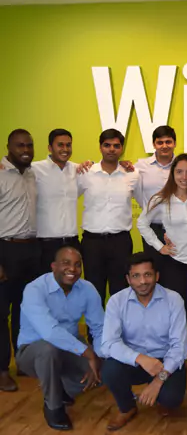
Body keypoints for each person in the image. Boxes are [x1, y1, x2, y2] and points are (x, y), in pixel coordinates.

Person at [16, 246, 104, 431]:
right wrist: (88, 353)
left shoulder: (87, 289)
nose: (72, 269)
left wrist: (98, 356)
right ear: (53, 266)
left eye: (77, 265)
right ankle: (53, 406)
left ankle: (60, 386)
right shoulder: (34, 289)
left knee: (99, 374)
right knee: (49, 350)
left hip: (70, 347)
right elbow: (49, 332)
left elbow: (99, 327)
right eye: (66, 263)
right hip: (33, 351)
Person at [137, 153, 187, 366]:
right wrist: (160, 246)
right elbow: (142, 224)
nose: (184, 176)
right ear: (173, 174)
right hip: (176, 258)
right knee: (178, 306)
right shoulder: (161, 199)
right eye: (179, 171)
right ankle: (180, 351)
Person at [101, 253, 187, 431]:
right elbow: (108, 344)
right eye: (136, 276)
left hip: (164, 362)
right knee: (109, 370)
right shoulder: (116, 301)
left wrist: (159, 380)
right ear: (128, 279)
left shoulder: (174, 300)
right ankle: (127, 408)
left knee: (171, 399)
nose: (142, 281)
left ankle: (159, 394)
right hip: (133, 361)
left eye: (147, 275)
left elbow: (180, 347)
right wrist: (140, 358)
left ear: (157, 276)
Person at [77, 128, 140, 304]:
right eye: (107, 145)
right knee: (93, 291)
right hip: (92, 243)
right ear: (100, 147)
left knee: (120, 292)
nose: (111, 149)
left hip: (120, 242)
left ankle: (117, 332)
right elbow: (68, 197)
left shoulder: (132, 174)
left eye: (116, 146)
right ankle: (94, 333)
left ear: (121, 148)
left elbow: (146, 203)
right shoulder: (85, 173)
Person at [0, 128, 41, 392]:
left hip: (31, 250)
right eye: (19, 146)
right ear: (8, 147)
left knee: (25, 311)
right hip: (5, 249)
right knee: (1, 313)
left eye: (29, 145)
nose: (25, 150)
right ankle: (2, 370)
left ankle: (23, 363)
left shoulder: (33, 174)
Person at [32, 129, 81, 273]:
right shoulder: (34, 169)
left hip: (72, 242)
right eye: (60, 145)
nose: (65, 149)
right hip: (46, 244)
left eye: (68, 145)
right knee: (46, 287)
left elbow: (103, 168)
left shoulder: (77, 169)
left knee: (72, 286)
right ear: (49, 147)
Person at [134, 125, 176, 261]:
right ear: (154, 144)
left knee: (176, 275)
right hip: (151, 229)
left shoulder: (183, 166)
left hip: (178, 229)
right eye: (160, 142)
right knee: (151, 274)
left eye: (168, 142)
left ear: (174, 143)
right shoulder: (140, 166)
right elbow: (136, 193)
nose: (164, 146)